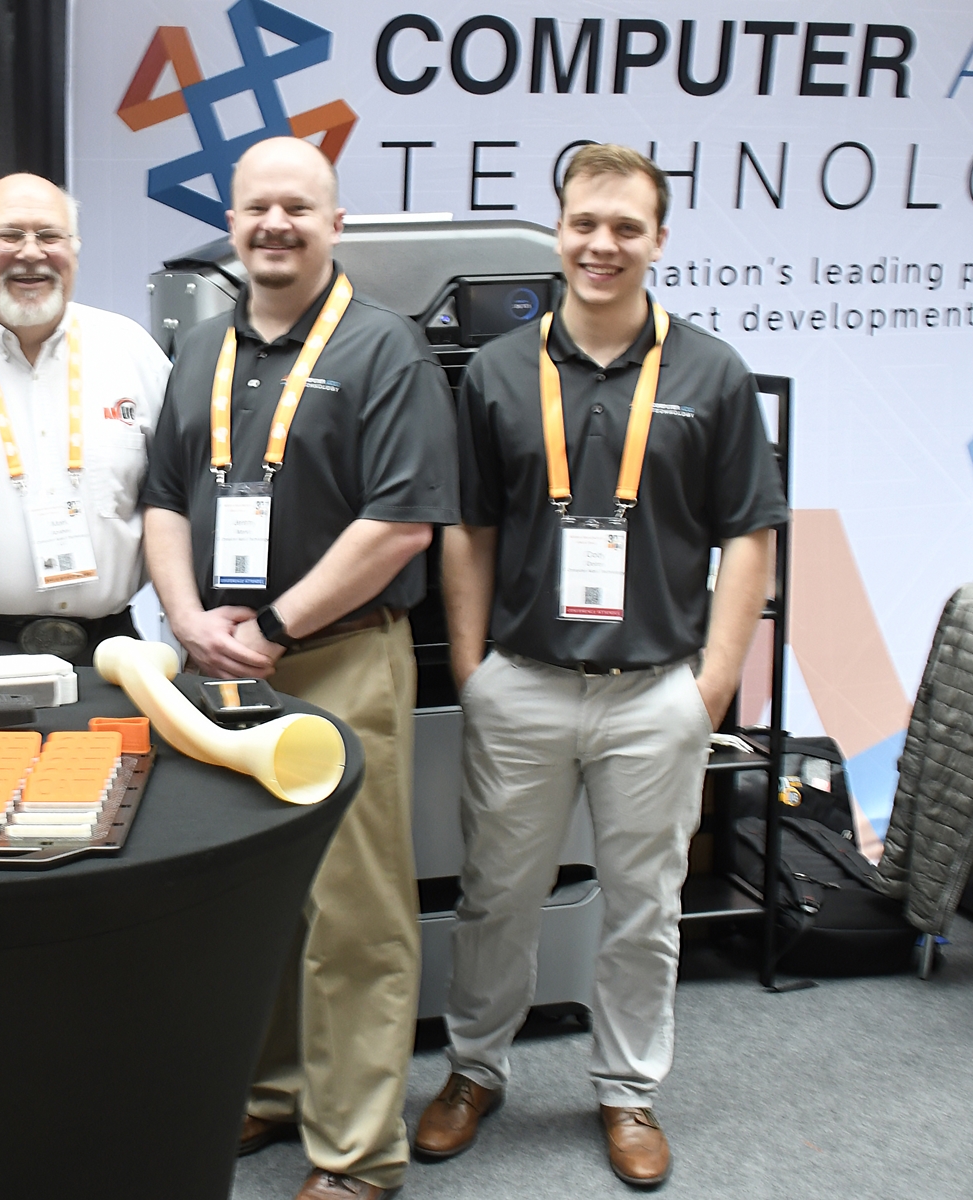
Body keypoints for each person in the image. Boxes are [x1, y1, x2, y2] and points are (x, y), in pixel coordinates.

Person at [415, 143, 786, 1188]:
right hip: (523, 685)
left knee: (643, 907)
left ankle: (626, 1090)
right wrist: (475, 667)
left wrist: (712, 685)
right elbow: (468, 529)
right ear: (558, 232)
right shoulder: (499, 371)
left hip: (653, 694)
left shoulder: (710, 372)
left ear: (658, 240)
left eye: (625, 227)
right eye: (584, 223)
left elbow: (749, 535)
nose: (601, 244)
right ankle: (474, 1070)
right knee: (495, 898)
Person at [141, 136, 458, 1200]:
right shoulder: (200, 349)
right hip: (221, 674)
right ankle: (273, 1092)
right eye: (255, 208)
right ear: (230, 223)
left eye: (297, 207)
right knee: (254, 902)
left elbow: (401, 523)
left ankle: (357, 1154)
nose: (274, 225)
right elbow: (162, 498)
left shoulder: (383, 349)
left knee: (354, 915)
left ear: (333, 225)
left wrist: (272, 625)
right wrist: (186, 617)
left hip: (337, 662)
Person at [0, 173, 170, 661]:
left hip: (109, 652)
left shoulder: (132, 350)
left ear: (75, 250)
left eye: (50, 236)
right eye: (9, 235)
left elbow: (175, 499)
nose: (31, 252)